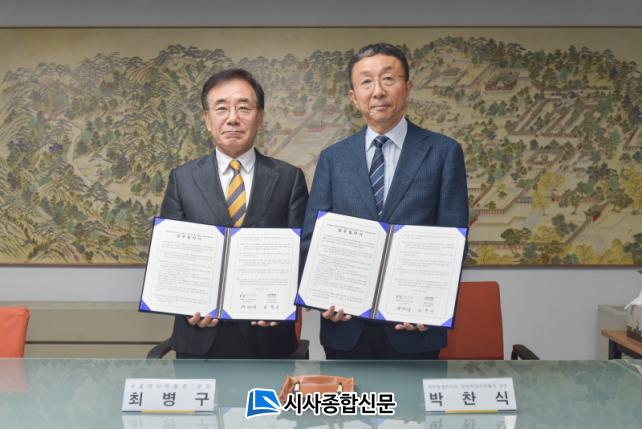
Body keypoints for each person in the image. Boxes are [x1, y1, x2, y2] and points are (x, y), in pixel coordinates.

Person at [301, 43, 469, 359]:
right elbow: (313, 238)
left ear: (408, 88)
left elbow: (452, 238)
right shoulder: (333, 158)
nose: (377, 91)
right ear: (354, 96)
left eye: (388, 79)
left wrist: (431, 304)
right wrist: (322, 297)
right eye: (366, 82)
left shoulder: (443, 152)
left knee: (412, 396)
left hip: (415, 327)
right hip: (345, 326)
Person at [161, 68, 309, 359]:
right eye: (221, 108)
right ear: (207, 119)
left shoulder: (289, 178)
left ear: (260, 117)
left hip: (268, 338)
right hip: (200, 337)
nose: (232, 118)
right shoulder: (183, 179)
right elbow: (171, 257)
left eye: (244, 108)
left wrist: (282, 301)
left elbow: (303, 252)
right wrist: (186, 305)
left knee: (265, 394)